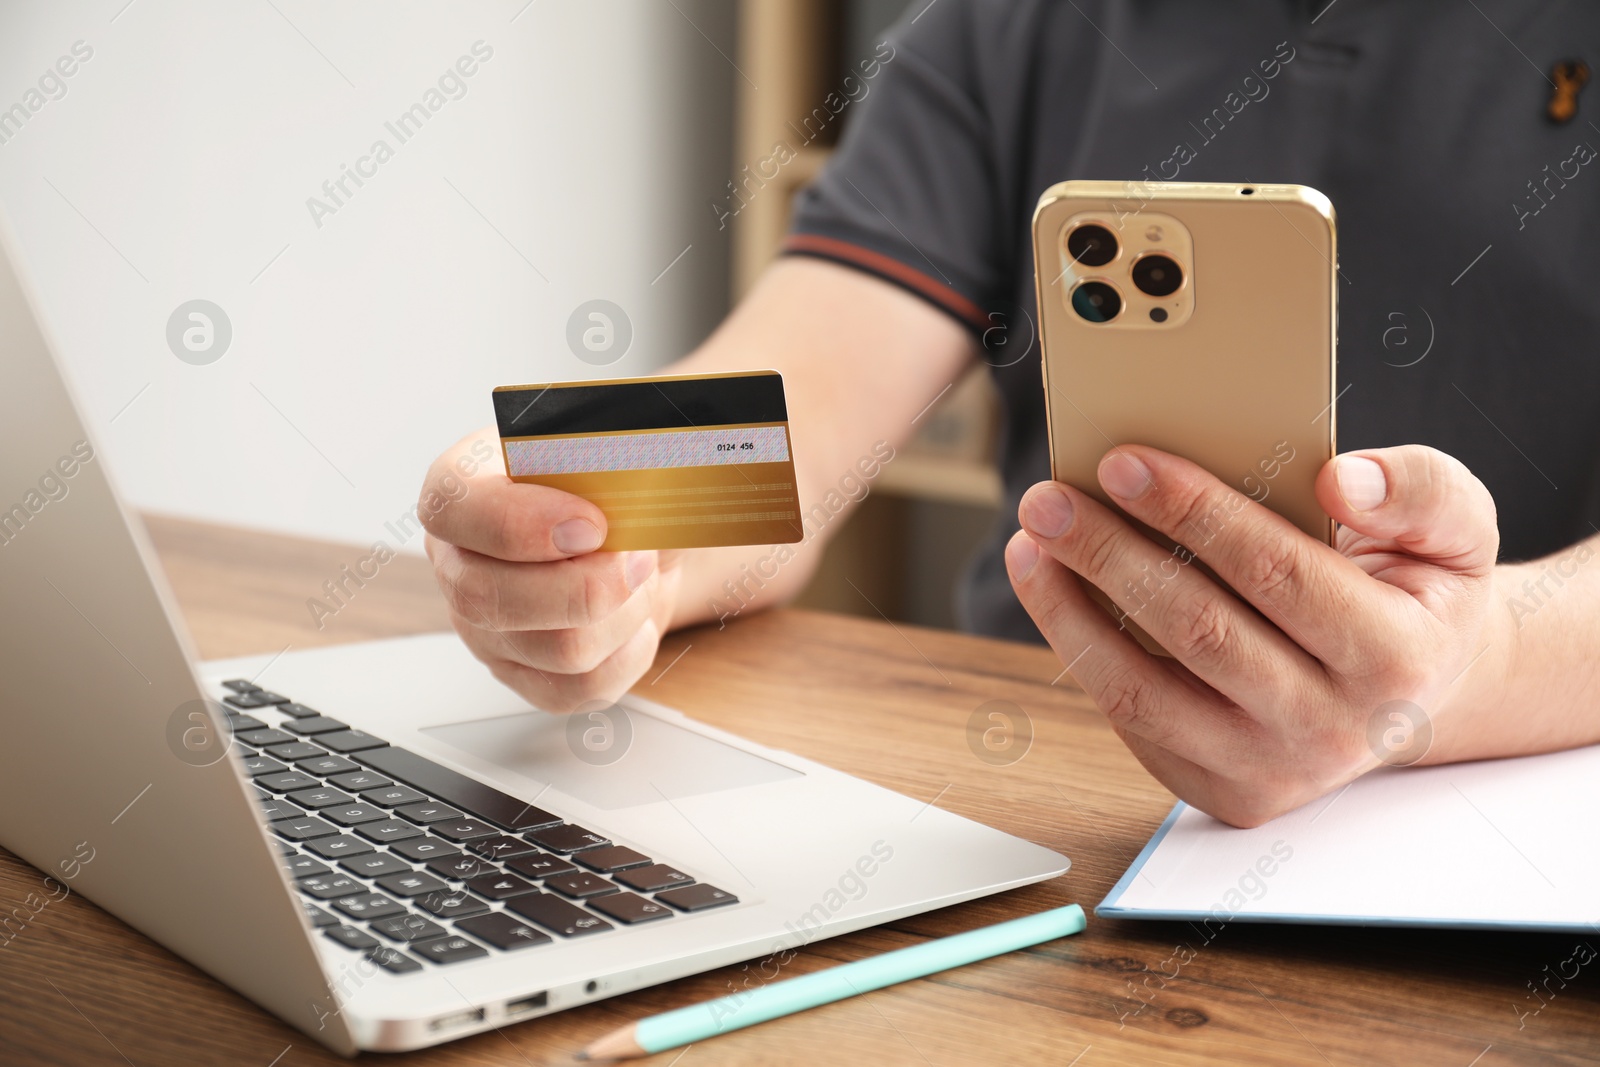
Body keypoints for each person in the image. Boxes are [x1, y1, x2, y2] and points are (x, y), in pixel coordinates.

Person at [419, 2, 1600, 827]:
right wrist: (611, 529)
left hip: (1503, 816)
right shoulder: (1013, 20)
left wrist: (1470, 662)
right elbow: (803, 402)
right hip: (1034, 792)